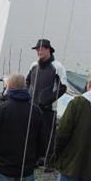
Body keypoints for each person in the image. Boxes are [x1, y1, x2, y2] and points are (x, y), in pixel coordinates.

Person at [25, 38, 68, 167]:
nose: (39, 51)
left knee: (48, 136)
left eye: (42, 49)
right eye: (38, 49)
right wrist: (28, 96)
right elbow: (27, 81)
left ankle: (49, 162)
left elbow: (63, 87)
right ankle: (33, 159)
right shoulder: (33, 65)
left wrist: (47, 100)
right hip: (33, 106)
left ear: (49, 50)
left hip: (49, 108)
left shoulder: (58, 67)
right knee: (32, 134)